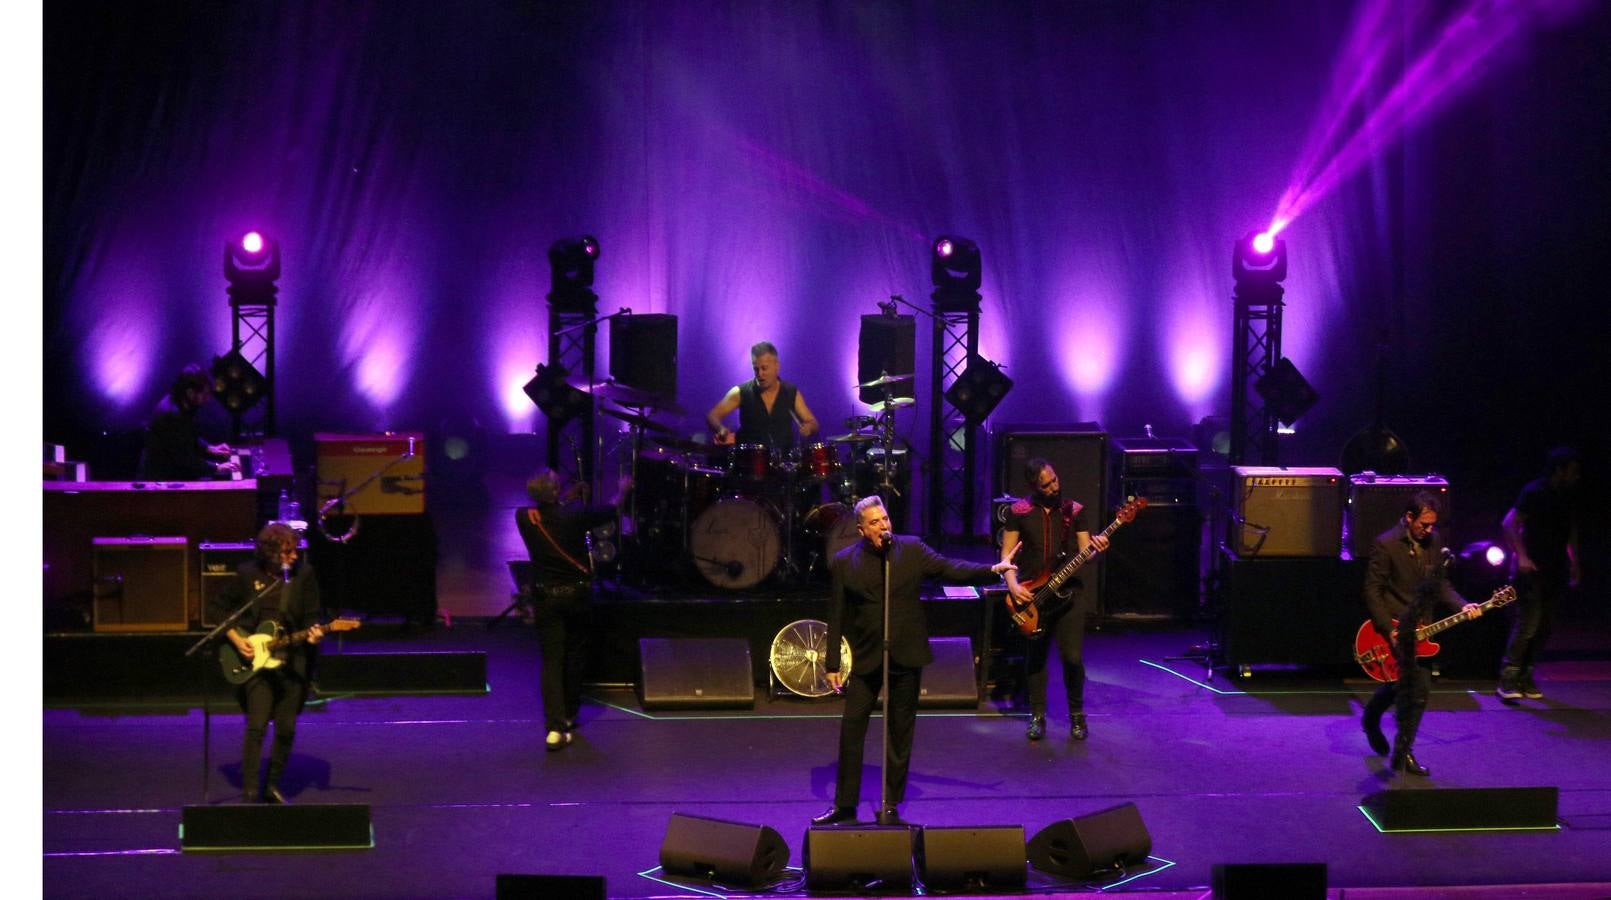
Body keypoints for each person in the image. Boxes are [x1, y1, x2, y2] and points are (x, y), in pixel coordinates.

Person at [814, 497, 1017, 826]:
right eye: (876, 522)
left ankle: (890, 804)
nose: (884, 525)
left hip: (906, 655)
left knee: (900, 731)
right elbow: (836, 616)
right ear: (862, 529)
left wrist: (991, 570)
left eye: (886, 518)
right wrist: (833, 663)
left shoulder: (910, 550)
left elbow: (950, 568)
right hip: (867, 658)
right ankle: (845, 805)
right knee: (852, 729)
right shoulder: (844, 562)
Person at [1360, 492, 1481, 776]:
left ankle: (1403, 751)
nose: (1429, 530)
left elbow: (1440, 585)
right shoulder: (1386, 544)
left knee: (1418, 691)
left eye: (1432, 525)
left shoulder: (1434, 542)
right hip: (1396, 627)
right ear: (1409, 517)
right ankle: (1374, 718)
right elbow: (1372, 591)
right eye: (1423, 525)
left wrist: (1464, 606)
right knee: (1402, 685)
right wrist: (1389, 629)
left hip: (1423, 630)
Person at [212, 522, 324, 803]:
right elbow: (218, 609)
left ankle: (272, 784)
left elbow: (312, 615)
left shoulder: (304, 575)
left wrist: (314, 633)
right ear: (271, 553)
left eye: (295, 550)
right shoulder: (247, 574)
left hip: (292, 660)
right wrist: (238, 640)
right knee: (257, 724)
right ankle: (250, 788)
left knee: (286, 728)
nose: (295, 556)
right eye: (288, 551)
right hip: (255, 661)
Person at [516, 469, 625, 751]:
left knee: (551, 660)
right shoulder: (576, 516)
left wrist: (565, 498)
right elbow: (611, 509)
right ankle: (569, 714)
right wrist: (623, 489)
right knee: (575, 654)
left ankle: (554, 727)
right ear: (553, 491)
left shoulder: (524, 518)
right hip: (577, 596)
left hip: (547, 598)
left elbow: (552, 515)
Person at [1001, 459, 1109, 742]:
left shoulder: (1074, 510)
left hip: (1069, 594)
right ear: (1033, 486)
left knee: (1072, 658)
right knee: (1035, 659)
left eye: (1055, 481)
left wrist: (1097, 548)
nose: (1053, 487)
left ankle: (1077, 715)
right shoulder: (1018, 512)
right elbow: (1006, 558)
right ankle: (1036, 716)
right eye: (1045, 485)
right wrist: (1012, 586)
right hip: (1032, 595)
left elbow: (1086, 553)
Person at [1497, 447, 1582, 702]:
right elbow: (1509, 523)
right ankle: (1508, 678)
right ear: (1559, 470)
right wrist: (1522, 555)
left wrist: (1574, 561)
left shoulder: (1568, 496)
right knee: (1527, 624)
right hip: (1532, 569)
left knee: (1545, 626)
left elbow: (1569, 532)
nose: (1577, 476)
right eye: (1573, 471)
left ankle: (1526, 675)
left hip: (1555, 568)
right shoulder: (1535, 491)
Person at [706, 341, 820, 449]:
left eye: (764, 368)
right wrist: (721, 429)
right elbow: (713, 416)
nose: (760, 374)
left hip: (783, 464)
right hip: (749, 464)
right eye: (756, 369)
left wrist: (809, 428)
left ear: (777, 366)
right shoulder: (740, 392)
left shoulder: (790, 392)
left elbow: (813, 423)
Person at [139, 363, 238, 480]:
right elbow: (185, 459)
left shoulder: (181, 403)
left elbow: (188, 437)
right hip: (162, 480)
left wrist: (210, 448)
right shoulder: (172, 415)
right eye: (205, 394)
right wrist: (217, 468)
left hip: (173, 470)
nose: (208, 399)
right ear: (190, 393)